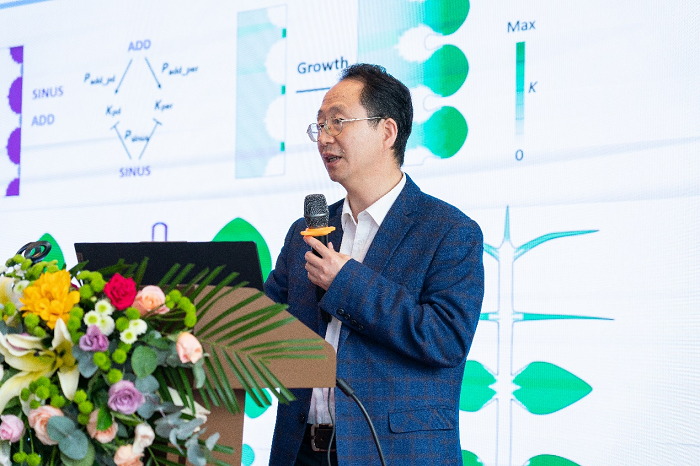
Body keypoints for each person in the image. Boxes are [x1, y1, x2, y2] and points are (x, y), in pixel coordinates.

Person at [264, 63, 484, 466]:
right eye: (319, 125)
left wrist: (347, 282)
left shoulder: (449, 231)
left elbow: (445, 339)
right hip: (300, 451)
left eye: (338, 122)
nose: (324, 138)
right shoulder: (306, 232)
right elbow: (263, 321)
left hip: (393, 454)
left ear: (387, 132)